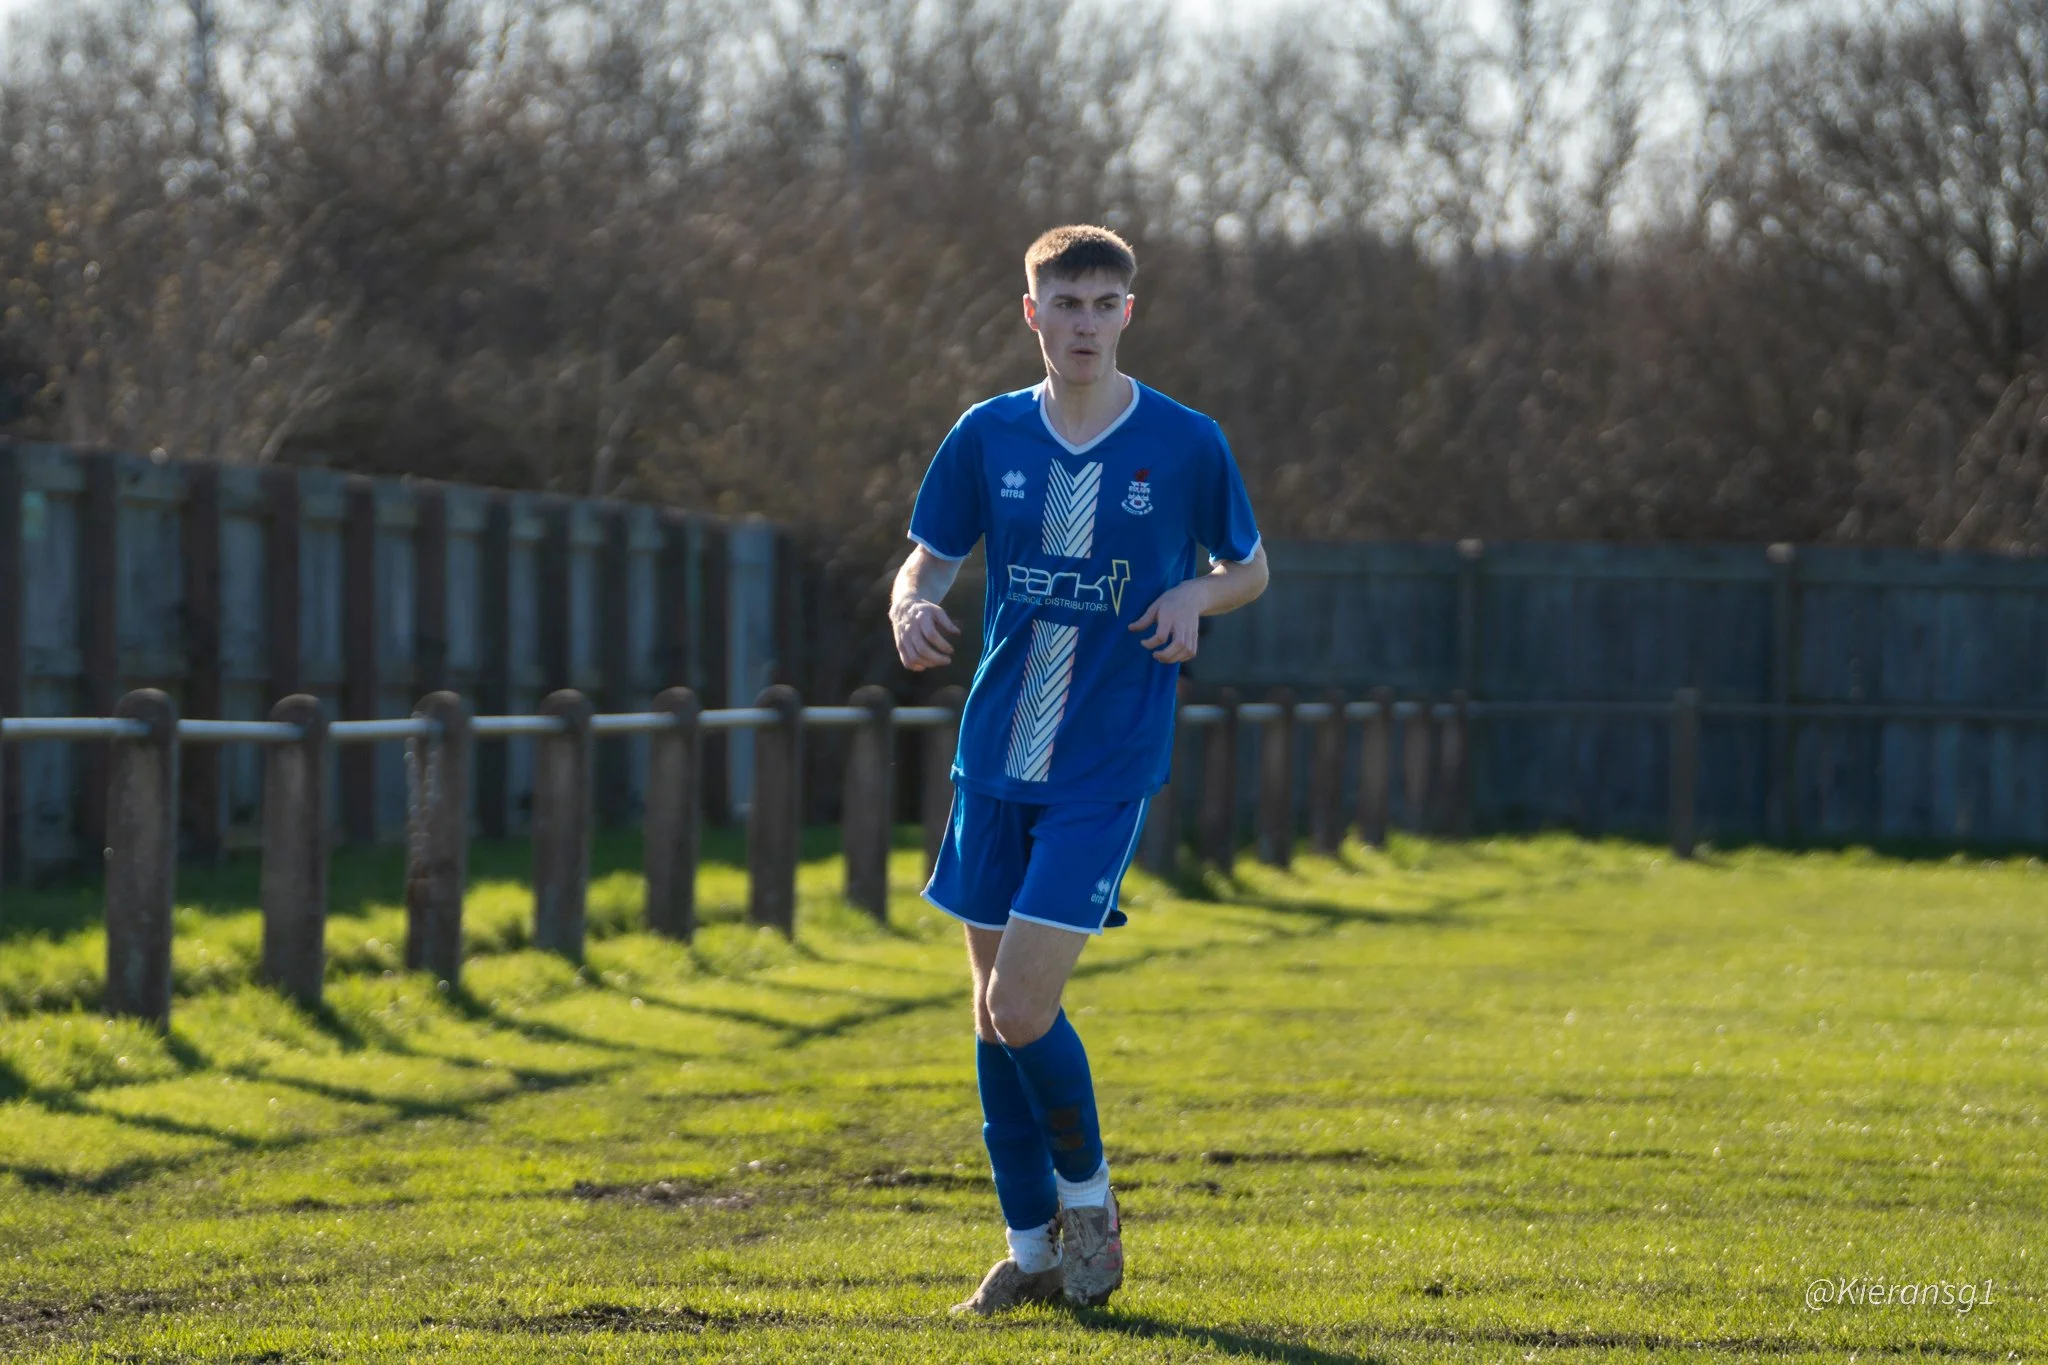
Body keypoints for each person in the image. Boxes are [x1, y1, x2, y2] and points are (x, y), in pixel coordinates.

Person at [888, 224, 1270, 1314]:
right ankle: (1029, 1251)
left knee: (1020, 1005)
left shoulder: (1186, 442)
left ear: (1127, 315)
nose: (1085, 324)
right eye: (1066, 304)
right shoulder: (987, 434)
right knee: (986, 1014)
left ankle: (1089, 1204)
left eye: (1105, 305)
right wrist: (910, 603)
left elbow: (1247, 568)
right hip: (994, 753)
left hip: (1103, 762)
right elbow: (928, 555)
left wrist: (1195, 596)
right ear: (1032, 314)